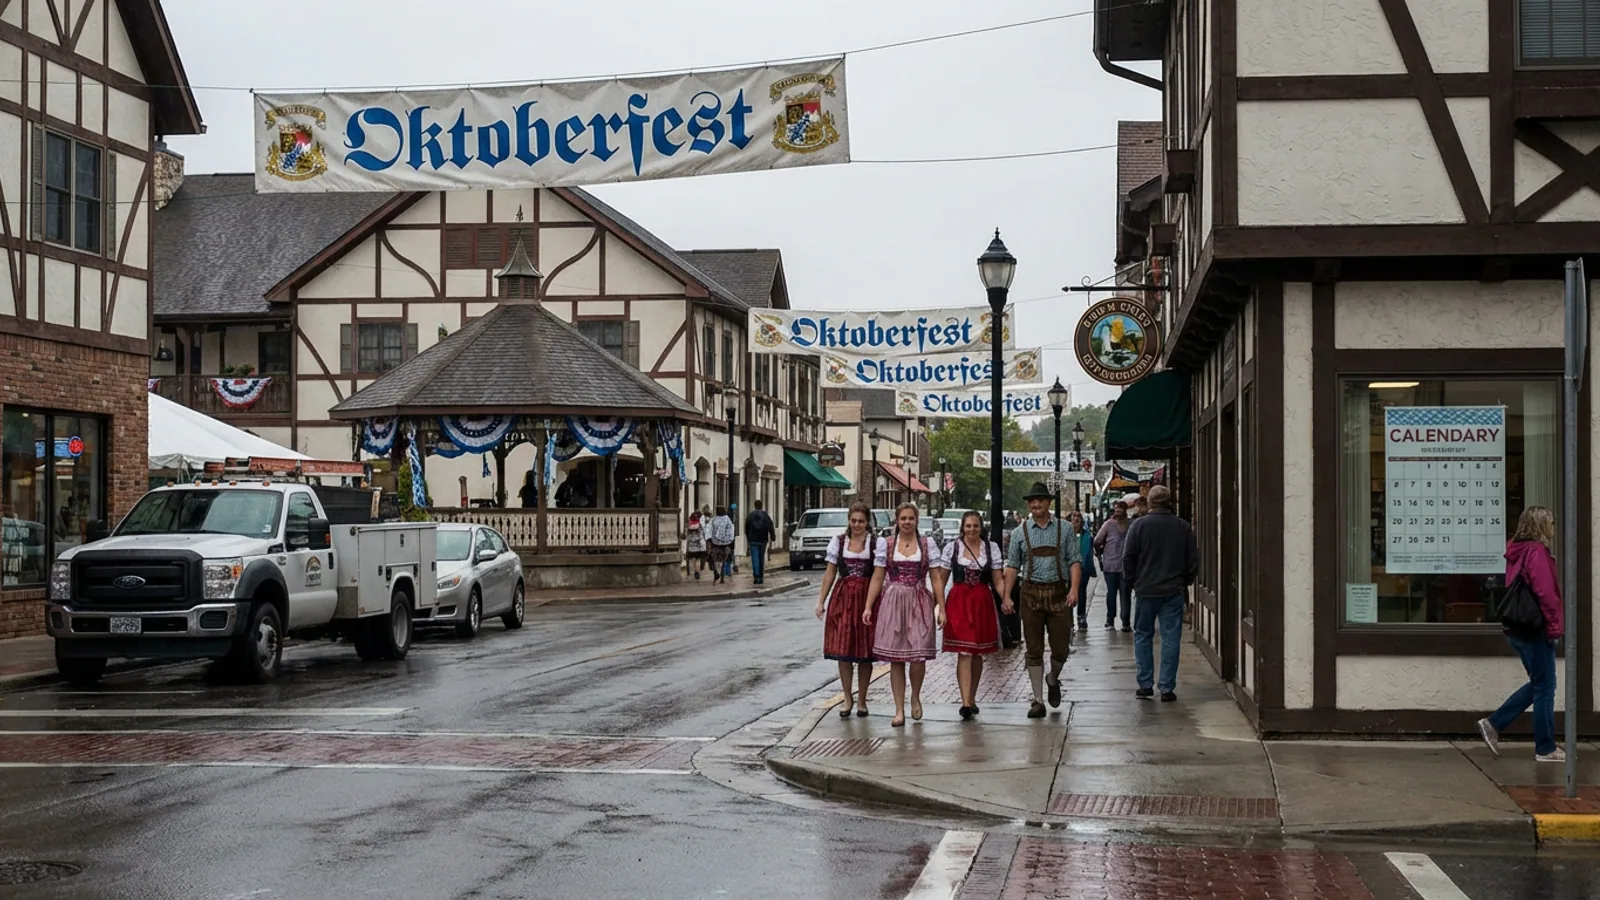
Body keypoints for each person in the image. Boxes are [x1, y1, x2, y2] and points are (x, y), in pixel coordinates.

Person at [1477, 506, 1565, 762]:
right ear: (1539, 526)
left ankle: (1493, 724)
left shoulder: (1517, 551)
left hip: (1518, 627)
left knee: (1540, 683)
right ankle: (1545, 747)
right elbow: (1545, 594)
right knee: (1546, 685)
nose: (1552, 528)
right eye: (1550, 523)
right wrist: (1554, 628)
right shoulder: (1536, 551)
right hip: (1534, 628)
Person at [1002, 482, 1081, 719]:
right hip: (1030, 595)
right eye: (1031, 501)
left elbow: (1074, 560)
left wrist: (1074, 589)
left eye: (1040, 500)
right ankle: (1037, 700)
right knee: (1033, 649)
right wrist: (1006, 595)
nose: (1035, 504)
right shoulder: (1019, 533)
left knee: (1061, 648)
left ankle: (1053, 677)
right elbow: (1013, 566)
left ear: (1048, 503)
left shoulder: (1065, 529)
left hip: (1059, 594)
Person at [863, 503, 944, 728]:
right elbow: (878, 577)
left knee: (918, 656)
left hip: (918, 599)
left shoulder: (927, 545)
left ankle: (915, 695)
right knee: (896, 658)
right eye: (903, 518)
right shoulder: (887, 545)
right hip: (894, 600)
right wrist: (869, 606)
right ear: (897, 521)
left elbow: (936, 578)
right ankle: (898, 709)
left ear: (917, 520)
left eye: (911, 518)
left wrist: (942, 608)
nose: (907, 522)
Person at [1122, 486, 1199, 702]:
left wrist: (1132, 582)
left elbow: (1128, 557)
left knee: (1143, 635)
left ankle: (1145, 684)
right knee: (1171, 637)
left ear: (1151, 503)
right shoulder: (1182, 527)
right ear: (1169, 502)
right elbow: (1192, 560)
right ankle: (1166, 687)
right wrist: (1185, 581)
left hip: (1146, 589)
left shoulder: (1138, 526)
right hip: (1173, 589)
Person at [937, 510, 1003, 721]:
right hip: (959, 600)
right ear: (962, 528)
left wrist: (1006, 598)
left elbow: (998, 578)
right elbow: (941, 579)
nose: (972, 529)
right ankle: (965, 701)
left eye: (975, 526)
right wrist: (939, 607)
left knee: (977, 652)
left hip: (982, 601)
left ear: (981, 527)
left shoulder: (990, 549)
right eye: (968, 526)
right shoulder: (952, 548)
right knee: (964, 652)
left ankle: (972, 697)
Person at [815, 503, 878, 718]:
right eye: (854, 521)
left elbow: (880, 575)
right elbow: (830, 573)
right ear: (849, 521)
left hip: (867, 598)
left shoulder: (875, 544)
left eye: (861, 521)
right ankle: (847, 697)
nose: (857, 525)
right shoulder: (839, 542)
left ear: (867, 522)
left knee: (865, 651)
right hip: (843, 598)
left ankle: (862, 698)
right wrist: (821, 601)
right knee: (844, 649)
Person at [1095, 502, 1134, 631]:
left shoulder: (1129, 524)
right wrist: (1100, 553)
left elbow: (1097, 541)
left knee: (1120, 593)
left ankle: (1118, 620)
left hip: (1122, 565)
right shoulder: (1110, 524)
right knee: (1119, 593)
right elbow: (1097, 541)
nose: (1117, 512)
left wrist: (1100, 553)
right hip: (1116, 565)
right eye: (1116, 509)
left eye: (1119, 509)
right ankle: (1118, 621)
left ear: (1124, 510)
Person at [1069, 510, 1096, 631]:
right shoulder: (1065, 533)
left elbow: (1088, 553)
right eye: (1073, 516)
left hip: (1083, 569)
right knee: (1067, 593)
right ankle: (1068, 619)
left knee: (1081, 592)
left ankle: (1081, 616)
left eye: (1078, 516)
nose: (1076, 519)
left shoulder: (1086, 535)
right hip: (1067, 569)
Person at [744, 500, 777, 586]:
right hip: (763, 540)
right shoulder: (765, 515)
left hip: (753, 540)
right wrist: (773, 536)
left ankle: (756, 577)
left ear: (754, 506)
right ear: (762, 506)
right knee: (761, 558)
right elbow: (771, 526)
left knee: (755, 558)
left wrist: (748, 538)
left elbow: (746, 528)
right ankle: (761, 577)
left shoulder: (750, 516)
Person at [705, 506, 735, 585]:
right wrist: (730, 540)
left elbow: (708, 529)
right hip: (725, 544)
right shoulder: (727, 519)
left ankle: (715, 572)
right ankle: (722, 577)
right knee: (724, 561)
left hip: (715, 543)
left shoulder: (714, 519)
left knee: (713, 559)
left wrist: (709, 539)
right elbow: (731, 530)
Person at [684, 508, 708, 580]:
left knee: (694, 559)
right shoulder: (700, 525)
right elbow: (704, 533)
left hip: (691, 546)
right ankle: (699, 571)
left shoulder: (688, 526)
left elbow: (685, 535)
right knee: (698, 559)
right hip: (699, 545)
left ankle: (695, 571)